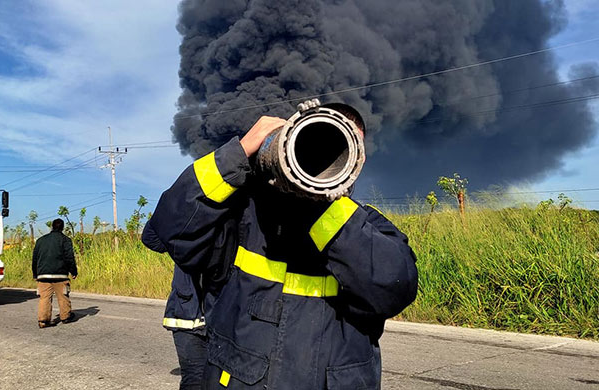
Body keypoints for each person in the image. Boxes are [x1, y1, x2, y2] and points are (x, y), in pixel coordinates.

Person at [148, 106, 418, 389]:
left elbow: (394, 287)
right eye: (319, 141)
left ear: (358, 159)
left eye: (345, 146)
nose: (325, 156)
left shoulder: (364, 227)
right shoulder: (245, 217)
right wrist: (237, 155)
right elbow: (169, 230)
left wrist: (325, 208)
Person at [143, 219, 214, 389]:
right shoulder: (184, 231)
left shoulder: (232, 223)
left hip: (220, 320)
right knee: (195, 380)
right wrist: (178, 205)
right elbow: (150, 237)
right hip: (186, 317)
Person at [32, 218, 78, 328]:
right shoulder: (65, 240)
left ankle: (43, 320)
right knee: (63, 296)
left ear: (52, 227)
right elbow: (69, 257)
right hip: (60, 275)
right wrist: (73, 271)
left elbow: (35, 259)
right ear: (62, 228)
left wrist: (35, 274)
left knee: (44, 298)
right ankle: (66, 316)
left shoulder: (41, 240)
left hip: (43, 275)